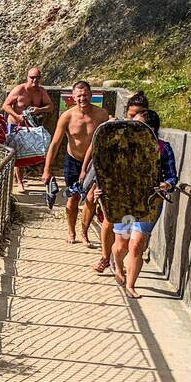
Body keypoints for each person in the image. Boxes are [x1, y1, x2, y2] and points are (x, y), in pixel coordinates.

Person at [106, 108, 177, 299]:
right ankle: (118, 264)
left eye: (139, 125)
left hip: (150, 202)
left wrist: (166, 184)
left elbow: (172, 177)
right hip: (125, 199)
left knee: (137, 244)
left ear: (151, 129)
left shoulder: (164, 148)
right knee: (121, 244)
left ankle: (131, 285)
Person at [83, 92, 149, 275]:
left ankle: (119, 257)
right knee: (109, 220)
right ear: (127, 111)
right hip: (109, 178)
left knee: (126, 222)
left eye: (140, 114)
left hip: (133, 184)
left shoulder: (147, 132)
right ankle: (105, 257)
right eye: (132, 114)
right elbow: (97, 150)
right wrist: (88, 175)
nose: (135, 119)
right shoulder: (112, 126)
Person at [42, 81, 109, 245]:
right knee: (73, 199)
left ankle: (84, 232)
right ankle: (71, 230)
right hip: (73, 161)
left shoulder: (102, 115)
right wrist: (47, 169)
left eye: (85, 94)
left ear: (91, 95)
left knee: (91, 198)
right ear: (73, 97)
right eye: (78, 95)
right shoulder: (67, 116)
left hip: (94, 163)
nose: (82, 98)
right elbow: (55, 143)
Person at [1, 68, 51, 191]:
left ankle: (21, 178)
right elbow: (5, 105)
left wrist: (39, 110)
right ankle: (19, 182)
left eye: (37, 77)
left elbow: (50, 107)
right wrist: (16, 116)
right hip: (15, 125)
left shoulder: (41, 91)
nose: (35, 80)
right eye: (32, 77)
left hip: (30, 126)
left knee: (34, 150)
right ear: (27, 77)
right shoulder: (19, 90)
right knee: (18, 152)